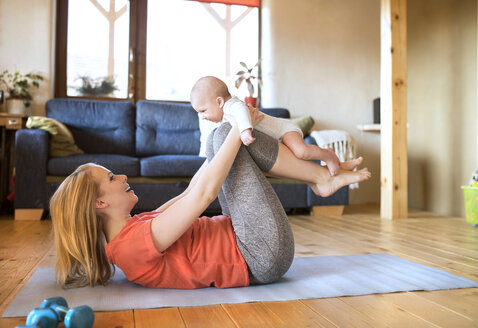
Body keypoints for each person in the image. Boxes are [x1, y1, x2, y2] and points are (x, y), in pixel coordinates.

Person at [50, 106, 371, 289]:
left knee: (218, 141)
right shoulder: (131, 247)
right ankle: (319, 177)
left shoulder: (135, 229)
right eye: (111, 178)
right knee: (223, 136)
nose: (121, 177)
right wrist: (236, 126)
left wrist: (231, 129)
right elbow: (204, 195)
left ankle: (320, 177)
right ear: (99, 204)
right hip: (260, 255)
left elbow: (192, 190)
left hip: (249, 240)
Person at [190, 75, 342, 176]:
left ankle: (328, 155)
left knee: (302, 152)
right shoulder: (224, 119)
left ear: (219, 102)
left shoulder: (232, 105)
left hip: (285, 130)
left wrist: (245, 131)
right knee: (290, 163)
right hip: (275, 143)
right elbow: (220, 137)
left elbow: (242, 111)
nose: (203, 117)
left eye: (203, 111)